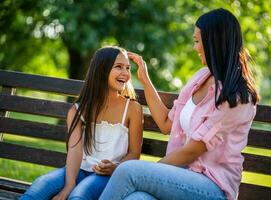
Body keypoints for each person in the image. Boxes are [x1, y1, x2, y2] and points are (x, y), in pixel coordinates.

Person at [99, 8, 259, 200]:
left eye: (198, 41)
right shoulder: (201, 77)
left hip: (212, 187)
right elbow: (167, 123)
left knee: (127, 171)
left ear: (213, 42)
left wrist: (144, 172)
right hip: (181, 177)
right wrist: (145, 79)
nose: (195, 47)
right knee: (137, 198)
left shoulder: (238, 97)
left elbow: (192, 151)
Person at [21, 46, 143, 200]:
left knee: (79, 196)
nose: (125, 73)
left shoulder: (132, 108)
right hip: (78, 170)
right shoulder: (78, 110)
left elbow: (134, 153)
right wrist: (69, 185)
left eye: (127, 68)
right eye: (118, 67)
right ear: (101, 70)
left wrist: (115, 168)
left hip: (106, 175)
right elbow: (75, 151)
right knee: (40, 185)